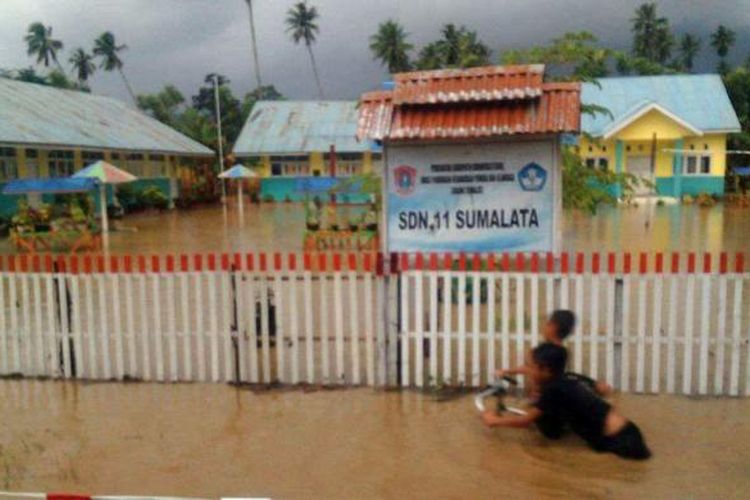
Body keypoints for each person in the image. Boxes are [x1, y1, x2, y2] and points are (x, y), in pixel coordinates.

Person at [482, 343, 651, 460]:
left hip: (620, 442)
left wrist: (495, 421)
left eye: (531, 366)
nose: (528, 370)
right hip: (629, 431)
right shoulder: (565, 379)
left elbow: (525, 421)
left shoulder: (552, 390)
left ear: (546, 370)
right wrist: (508, 370)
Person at [497, 310, 612, 397]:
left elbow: (530, 369)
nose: (544, 327)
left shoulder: (549, 352)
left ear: (553, 327)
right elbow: (530, 368)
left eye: (547, 324)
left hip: (546, 396)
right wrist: (507, 371)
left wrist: (508, 371)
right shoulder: (560, 351)